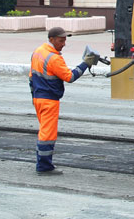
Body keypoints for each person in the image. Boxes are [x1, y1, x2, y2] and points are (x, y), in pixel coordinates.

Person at [29, 26, 97, 174]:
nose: (64, 44)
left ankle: (43, 164)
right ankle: (44, 167)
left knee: (43, 132)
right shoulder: (54, 58)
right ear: (51, 39)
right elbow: (70, 77)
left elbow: (31, 76)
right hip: (49, 101)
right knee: (47, 135)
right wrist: (86, 63)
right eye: (61, 40)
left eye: (65, 40)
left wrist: (34, 95)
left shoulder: (38, 52)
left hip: (38, 98)